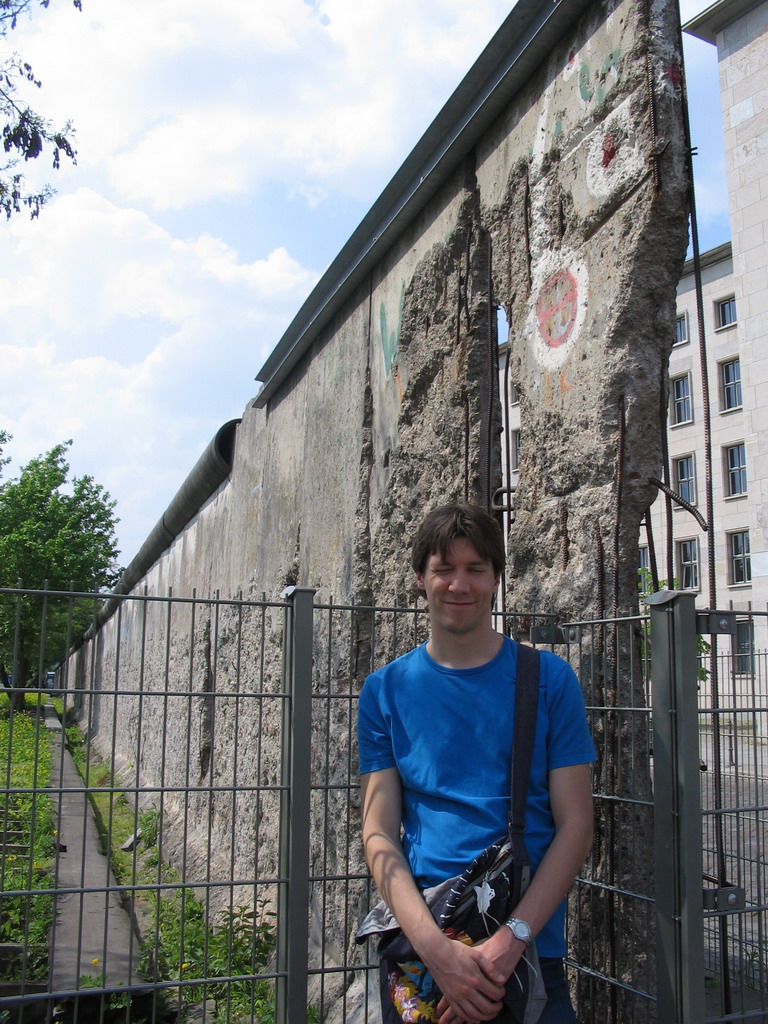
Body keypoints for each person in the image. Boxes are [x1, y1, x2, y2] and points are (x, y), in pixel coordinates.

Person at [358, 503, 595, 1024]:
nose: (458, 585)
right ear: (421, 579)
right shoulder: (385, 692)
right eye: (444, 569)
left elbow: (576, 826)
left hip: (529, 951)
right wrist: (435, 951)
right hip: (427, 953)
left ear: (495, 580)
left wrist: (510, 941)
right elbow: (378, 831)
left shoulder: (549, 682)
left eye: (475, 569)